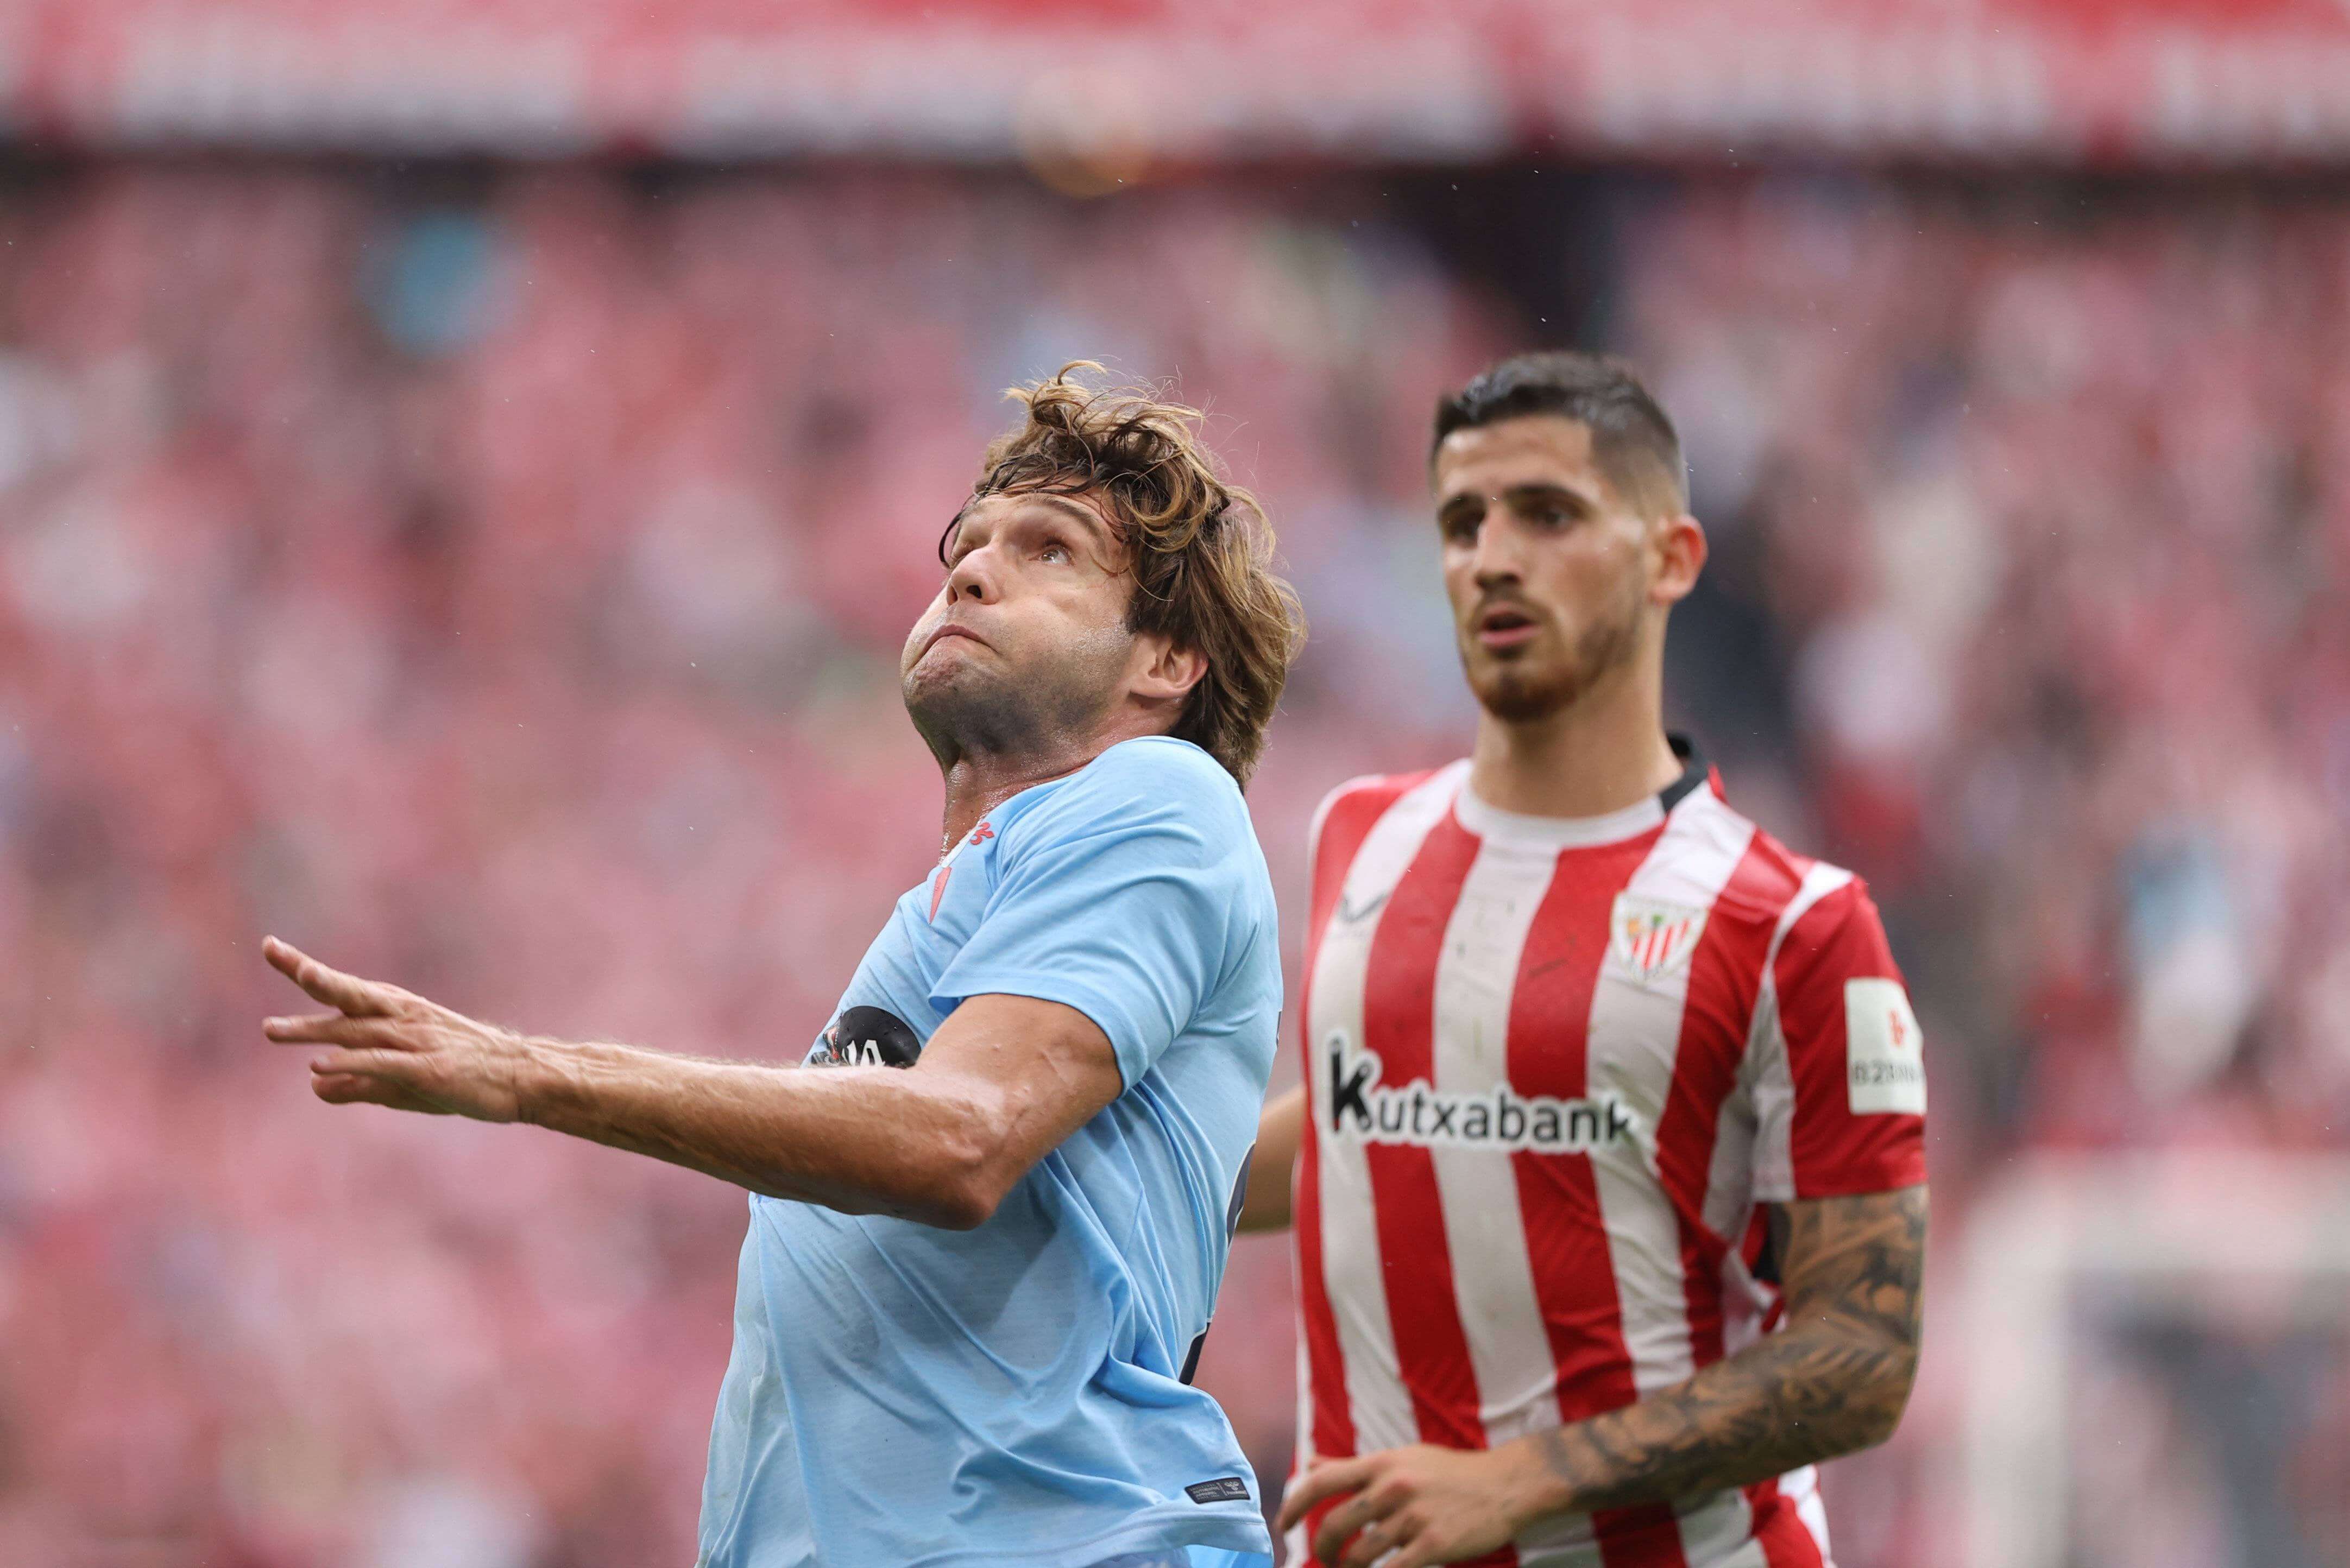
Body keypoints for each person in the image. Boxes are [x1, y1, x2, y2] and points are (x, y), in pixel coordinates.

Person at [259, 366, 1304, 1568]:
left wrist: (532, 1073)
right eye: (966, 546)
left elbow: (963, 1138)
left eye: (1050, 551)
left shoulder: (1160, 795)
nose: (969, 570)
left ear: (1166, 661)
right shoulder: (958, 904)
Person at [1246, 352, 1928, 1568]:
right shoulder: (1357, 834)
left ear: (1671, 558)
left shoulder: (1796, 925)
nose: (1491, 557)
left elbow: (1861, 1356)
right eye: (1462, 522)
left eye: (1547, 514)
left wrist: (1522, 1483)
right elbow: (1368, 1118)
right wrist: (1049, 1177)